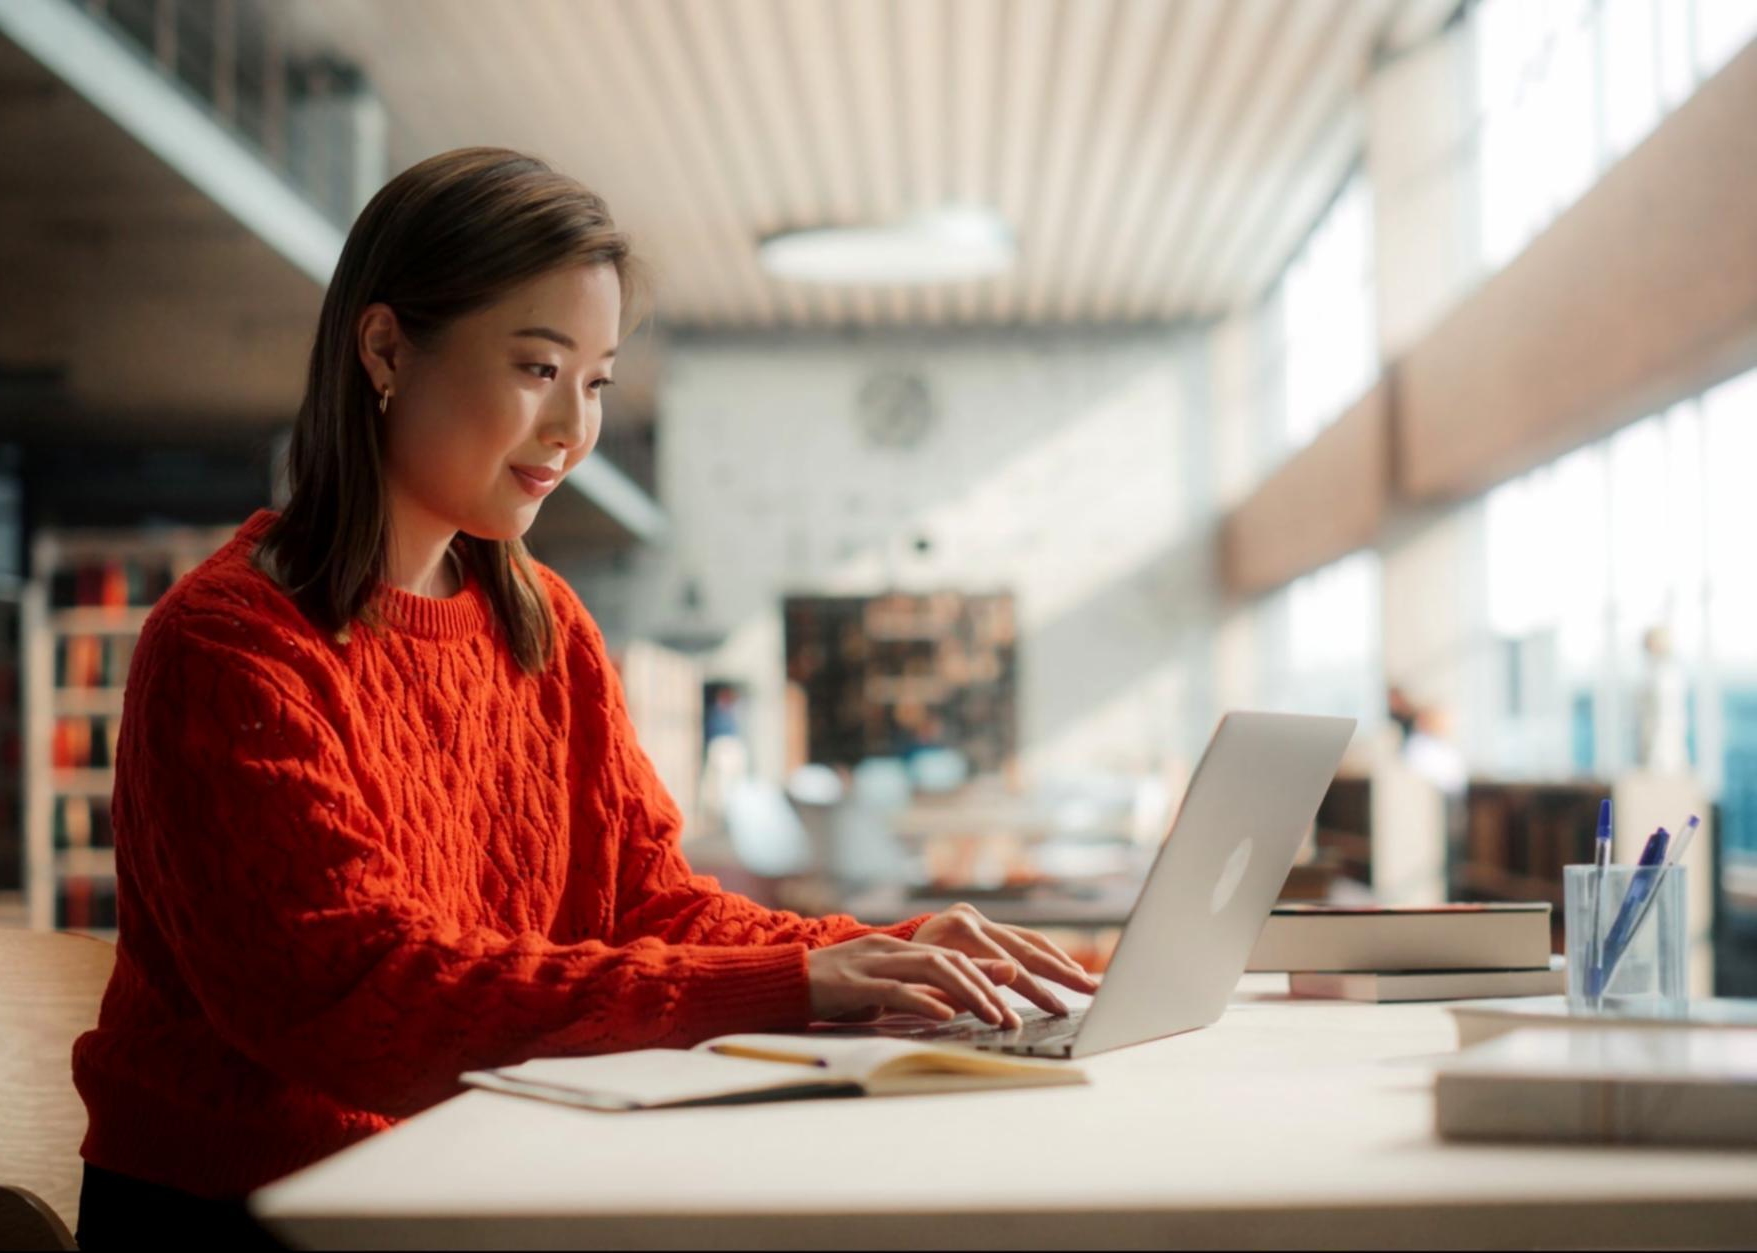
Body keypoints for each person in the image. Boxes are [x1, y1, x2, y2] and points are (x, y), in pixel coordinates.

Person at [70, 148, 1097, 1248]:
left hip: (478, 1176)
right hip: (257, 1212)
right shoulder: (229, 646)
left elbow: (649, 905)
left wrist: (885, 956)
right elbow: (360, 999)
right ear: (383, 349)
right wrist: (803, 978)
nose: (574, 428)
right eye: (535, 367)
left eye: (596, 380)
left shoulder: (543, 623)